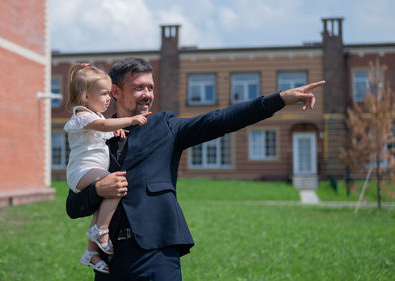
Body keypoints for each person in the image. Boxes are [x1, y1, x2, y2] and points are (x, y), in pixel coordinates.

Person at [65, 57, 325, 280]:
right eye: (138, 88)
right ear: (116, 92)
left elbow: (220, 120)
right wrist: (99, 189)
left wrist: (278, 100)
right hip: (109, 259)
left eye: (151, 87)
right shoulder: (93, 136)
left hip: (157, 251)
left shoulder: (165, 126)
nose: (147, 94)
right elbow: (73, 206)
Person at [64, 63, 150, 274]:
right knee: (117, 183)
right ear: (85, 96)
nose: (108, 98)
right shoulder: (81, 116)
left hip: (90, 170)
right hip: (82, 170)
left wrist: (116, 130)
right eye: (103, 93)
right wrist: (130, 120)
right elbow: (101, 127)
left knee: (100, 202)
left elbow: (103, 129)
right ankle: (101, 230)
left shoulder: (96, 117)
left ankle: (91, 253)